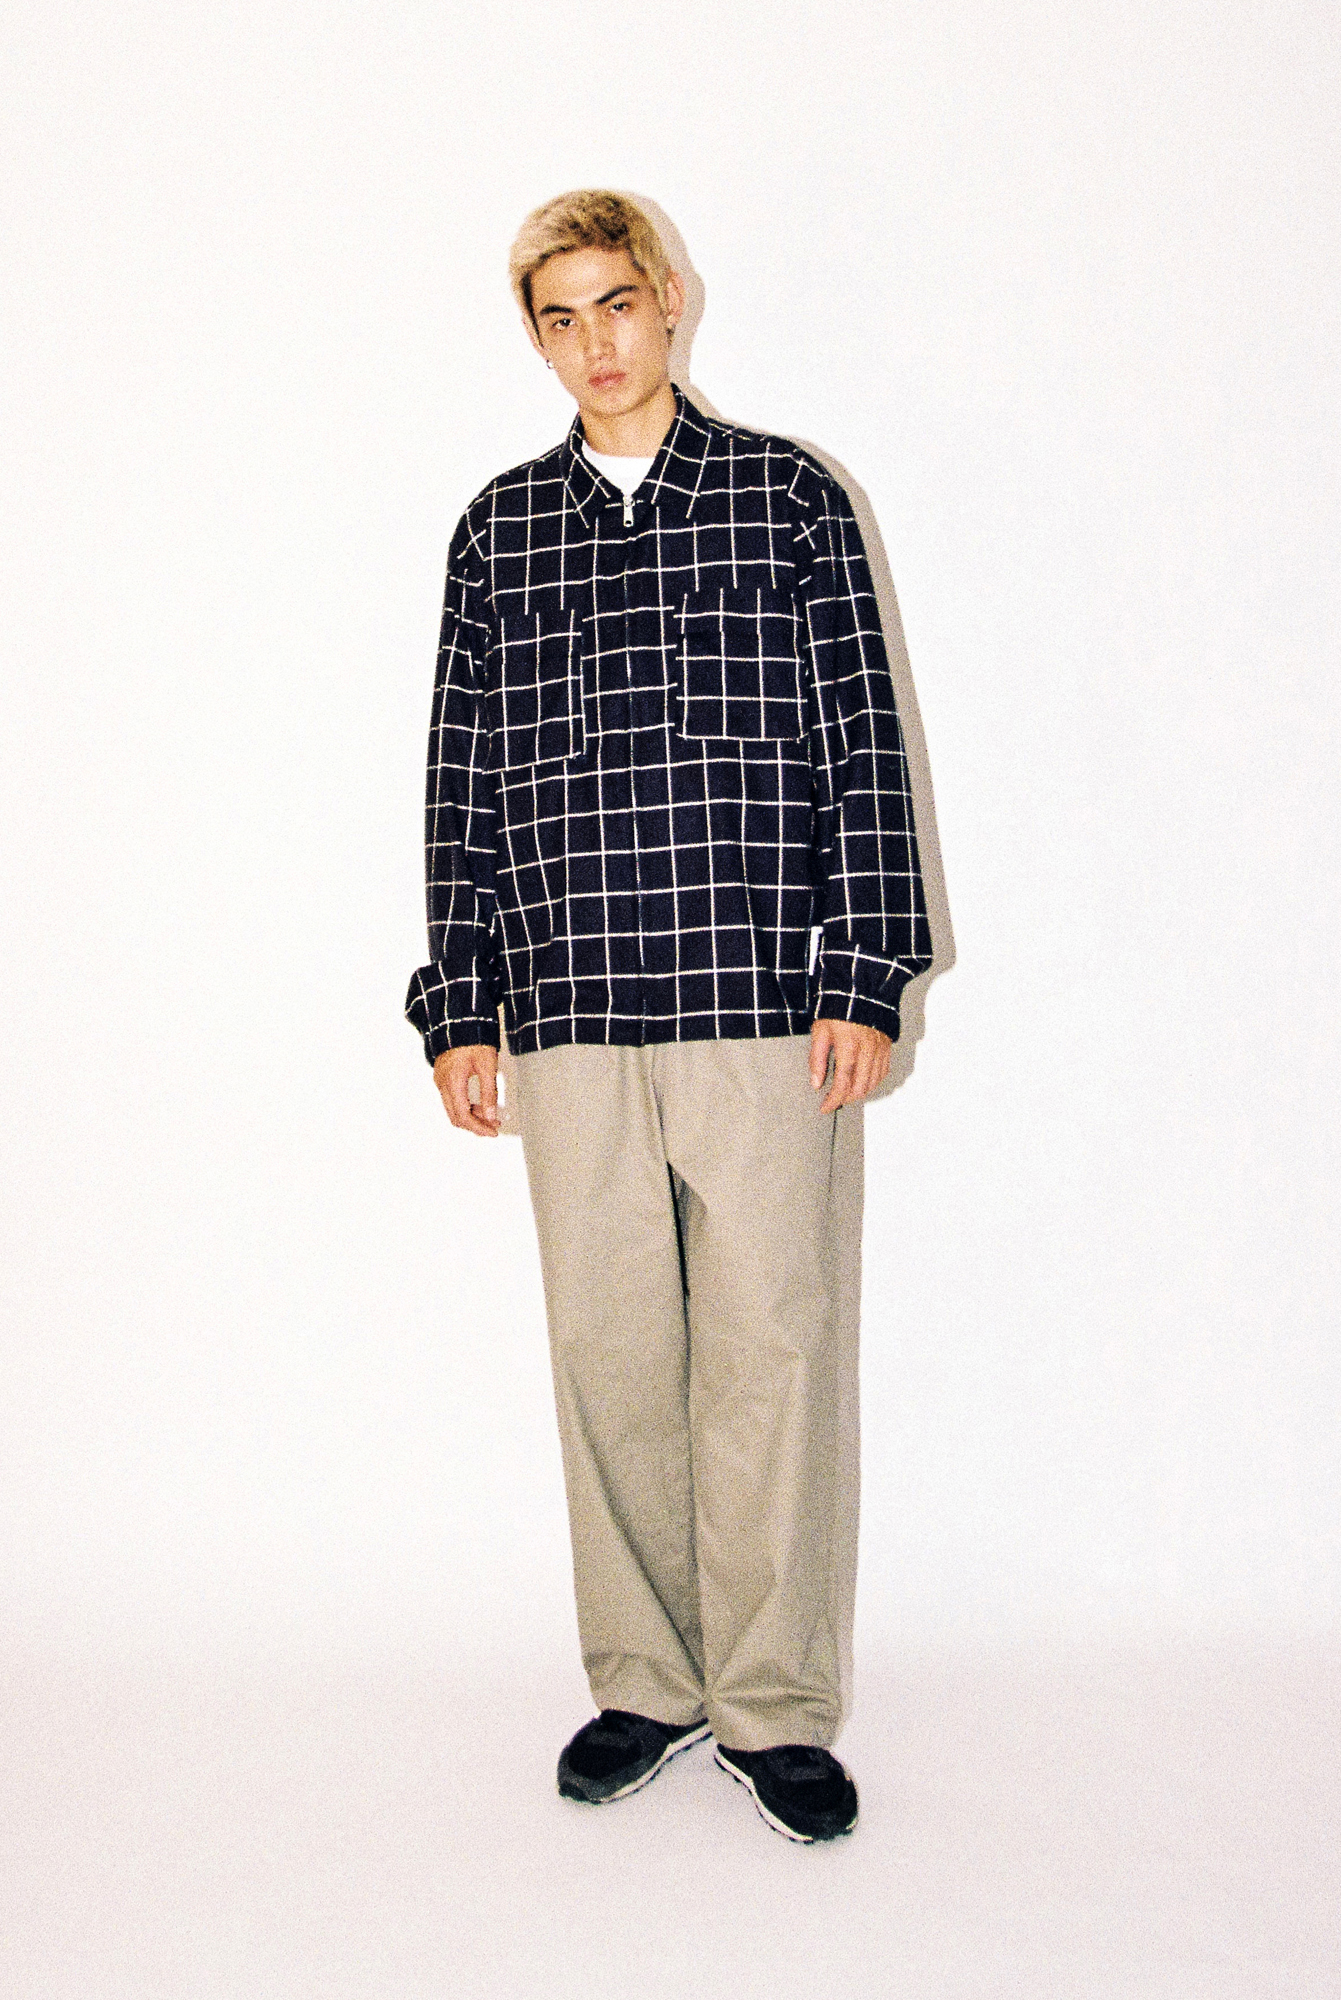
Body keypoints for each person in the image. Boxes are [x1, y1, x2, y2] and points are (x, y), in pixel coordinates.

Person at [405, 190, 932, 1843]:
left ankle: (772, 1702)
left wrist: (864, 972)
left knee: (774, 1347)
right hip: (566, 1009)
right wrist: (460, 1001)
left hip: (758, 1003)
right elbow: (461, 780)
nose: (595, 343)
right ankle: (646, 1680)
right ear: (537, 336)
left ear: (670, 299)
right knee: (610, 1352)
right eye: (559, 318)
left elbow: (862, 744)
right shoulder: (499, 532)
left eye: (616, 304)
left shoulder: (786, 500)